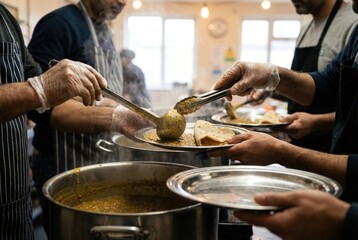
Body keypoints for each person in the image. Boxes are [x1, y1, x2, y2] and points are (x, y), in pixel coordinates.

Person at [207, 0, 358, 236]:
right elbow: (327, 85)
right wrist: (271, 76)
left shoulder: (349, 21)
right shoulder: (345, 31)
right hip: (334, 176)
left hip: (332, 159)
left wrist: (282, 152)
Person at [0, 3, 114, 238]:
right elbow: (39, 94)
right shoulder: (58, 24)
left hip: (13, 196)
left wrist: (120, 117)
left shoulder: (6, 19)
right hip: (60, 159)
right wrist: (39, 88)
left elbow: (45, 106)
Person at [27, 0, 128, 234]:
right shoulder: (58, 24)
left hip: (95, 157)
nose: (123, 1)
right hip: (61, 163)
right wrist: (115, 118)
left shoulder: (102, 29)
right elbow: (37, 105)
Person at [252, 0, 358, 153]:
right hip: (299, 144)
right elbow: (324, 85)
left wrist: (316, 122)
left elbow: (349, 107)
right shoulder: (306, 28)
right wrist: (272, 84)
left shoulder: (351, 22)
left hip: (330, 150)